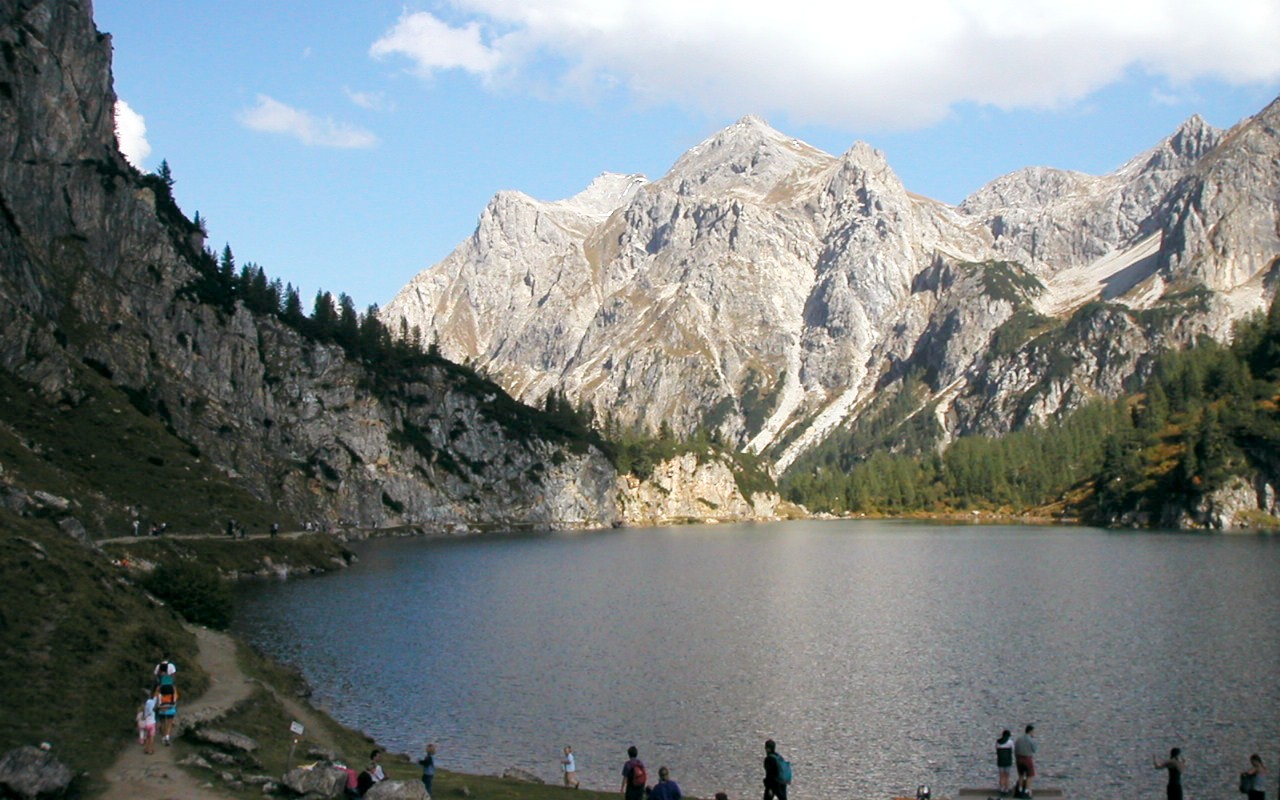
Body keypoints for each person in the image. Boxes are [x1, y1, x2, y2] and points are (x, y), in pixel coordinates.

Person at [1013, 725, 1036, 798]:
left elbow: (1015, 749)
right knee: (1030, 776)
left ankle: (1019, 790)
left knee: (1021, 775)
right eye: (1033, 732)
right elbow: (1034, 749)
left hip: (1019, 759)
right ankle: (1026, 791)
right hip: (1027, 759)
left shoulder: (1019, 739)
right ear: (1030, 731)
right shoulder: (1031, 740)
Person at [136, 689, 157, 755]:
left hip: (146, 724)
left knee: (147, 736)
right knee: (152, 737)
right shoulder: (152, 702)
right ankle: (151, 750)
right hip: (152, 723)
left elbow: (142, 715)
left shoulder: (142, 705)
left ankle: (146, 749)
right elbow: (156, 700)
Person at [996, 730, 1015, 796]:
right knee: (1007, 776)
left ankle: (1001, 789)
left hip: (1000, 761)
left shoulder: (998, 741)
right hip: (1007, 761)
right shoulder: (1010, 742)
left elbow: (996, 749)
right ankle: (1006, 789)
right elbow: (1013, 749)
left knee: (1001, 776)